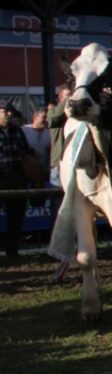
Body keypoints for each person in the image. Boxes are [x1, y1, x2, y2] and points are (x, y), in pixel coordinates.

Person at [0, 102, 32, 258]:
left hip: (17, 177)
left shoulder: (18, 131)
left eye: (10, 112)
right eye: (5, 112)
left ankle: (12, 251)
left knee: (16, 217)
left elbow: (26, 151)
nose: (9, 115)